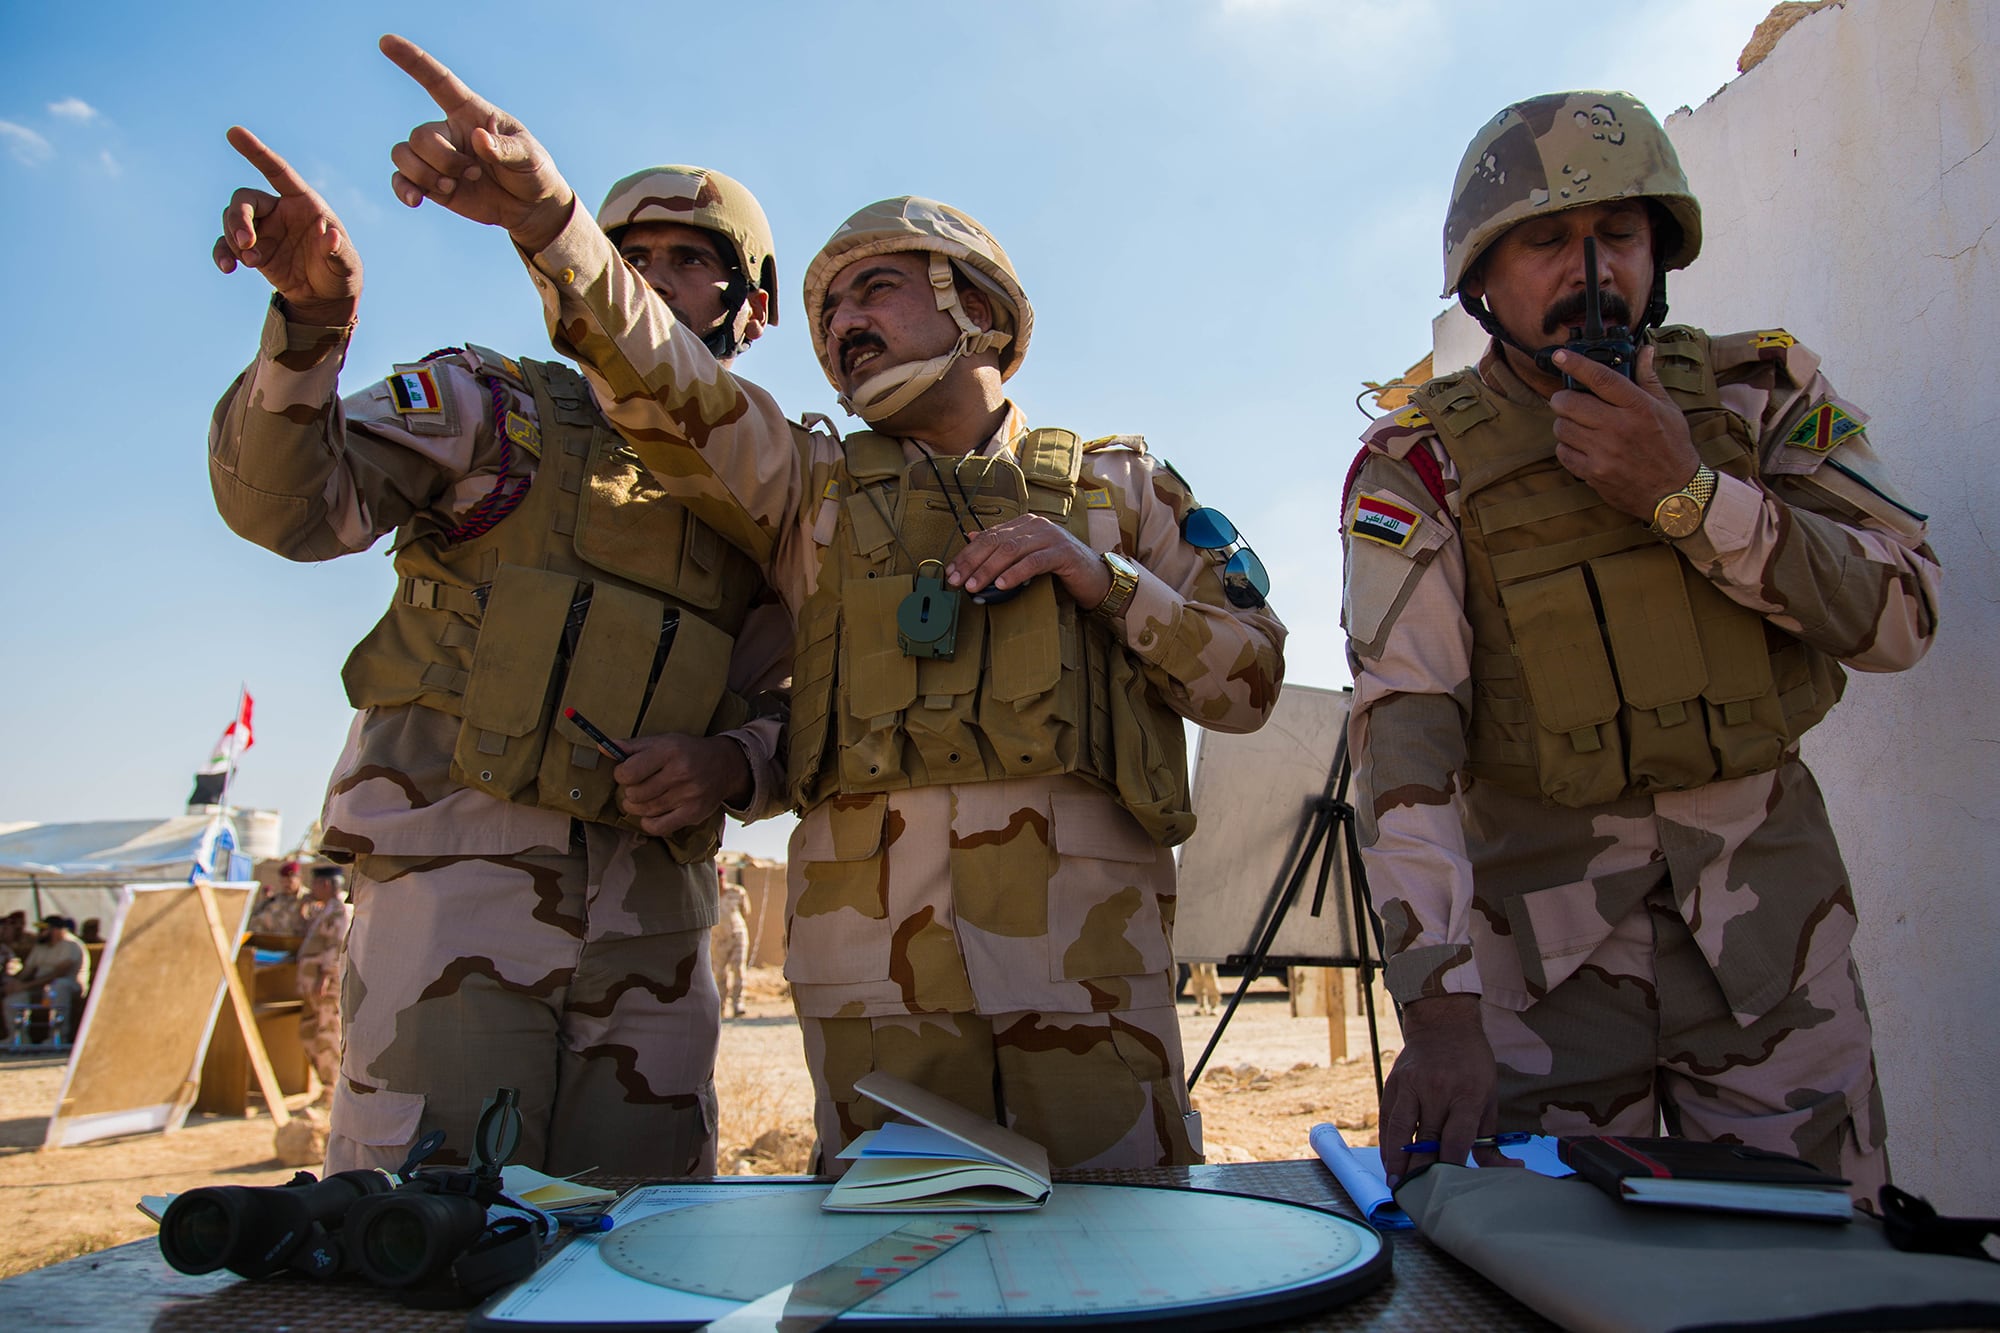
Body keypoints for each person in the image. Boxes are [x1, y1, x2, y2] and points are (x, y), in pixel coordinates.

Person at [374, 35, 1287, 1170]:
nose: (844, 322)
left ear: (982, 313)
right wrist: (551, 223)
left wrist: (1100, 578)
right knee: (893, 1262)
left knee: (1122, 1253)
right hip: (874, 988)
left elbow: (1249, 684)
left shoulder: (1123, 490)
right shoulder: (802, 488)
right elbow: (665, 375)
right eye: (827, 309)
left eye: (878, 288)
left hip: (1086, 974)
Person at [1341, 91, 1940, 1200]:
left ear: (1657, 254)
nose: (1589, 269)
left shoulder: (1760, 399)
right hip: (1538, 973)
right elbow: (1403, 726)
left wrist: (1689, 494)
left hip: (1773, 950)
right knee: (1540, 1278)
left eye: (1616, 236)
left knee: (1816, 1278)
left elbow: (1901, 614)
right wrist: (1436, 1003)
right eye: (1545, 240)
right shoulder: (1418, 465)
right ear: (1480, 277)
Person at [208, 123, 791, 1177]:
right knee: (429, 1233)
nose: (649, 280)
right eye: (627, 257)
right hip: (452, 899)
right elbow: (291, 508)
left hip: (654, 928)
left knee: (643, 1242)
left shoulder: (767, 488)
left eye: (689, 260)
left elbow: (805, 699)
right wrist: (309, 321)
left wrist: (735, 761)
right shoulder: (491, 406)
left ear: (748, 307)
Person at [296, 865, 351, 1099]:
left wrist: (327, 977)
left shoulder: (340, 911)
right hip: (314, 985)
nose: (313, 888)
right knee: (309, 1032)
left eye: (316, 883)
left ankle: (331, 1090)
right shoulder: (326, 909)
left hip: (326, 985)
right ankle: (326, 1084)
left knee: (328, 1034)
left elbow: (337, 948)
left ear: (326, 884)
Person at [3, 916, 90, 1043]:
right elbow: (28, 971)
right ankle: (18, 1037)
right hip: (40, 987)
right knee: (15, 994)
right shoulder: (41, 946)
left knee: (58, 986)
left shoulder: (71, 945)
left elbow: (58, 973)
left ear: (56, 930)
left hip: (70, 986)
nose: (40, 933)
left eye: (44, 929)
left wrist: (27, 985)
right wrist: (15, 983)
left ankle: (59, 1036)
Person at [715, 870, 750, 1019]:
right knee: (719, 973)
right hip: (717, 939)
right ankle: (720, 1006)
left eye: (721, 879)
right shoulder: (709, 895)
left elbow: (746, 912)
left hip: (737, 936)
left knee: (738, 969)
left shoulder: (737, 892)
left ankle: (738, 1004)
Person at [248, 860, 310, 936]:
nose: (286, 885)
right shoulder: (275, 900)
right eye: (283, 882)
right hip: (275, 943)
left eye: (290, 881)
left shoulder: (309, 899)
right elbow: (258, 922)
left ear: (300, 878)